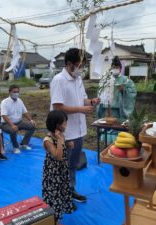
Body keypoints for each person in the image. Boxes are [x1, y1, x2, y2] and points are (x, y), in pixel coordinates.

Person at [50, 48, 101, 203]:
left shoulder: (78, 80)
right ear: (69, 64)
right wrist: (81, 109)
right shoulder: (59, 80)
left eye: (82, 65)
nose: (81, 69)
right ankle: (58, 193)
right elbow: (57, 107)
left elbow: (83, 100)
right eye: (79, 65)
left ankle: (70, 190)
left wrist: (91, 102)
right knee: (62, 165)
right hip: (65, 132)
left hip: (79, 130)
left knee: (72, 164)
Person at [42, 110, 75, 222]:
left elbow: (62, 149)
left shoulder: (60, 136)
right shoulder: (48, 140)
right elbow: (58, 156)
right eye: (64, 123)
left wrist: (66, 143)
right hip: (53, 174)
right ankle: (54, 220)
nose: (66, 125)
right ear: (57, 125)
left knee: (61, 194)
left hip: (61, 171)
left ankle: (58, 219)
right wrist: (61, 140)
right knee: (53, 197)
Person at [97, 56, 137, 122]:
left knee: (117, 128)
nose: (115, 69)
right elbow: (99, 92)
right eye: (113, 67)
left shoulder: (126, 80)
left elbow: (132, 93)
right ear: (111, 68)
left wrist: (123, 90)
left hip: (119, 110)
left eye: (117, 67)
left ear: (120, 69)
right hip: (106, 109)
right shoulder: (105, 79)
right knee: (106, 127)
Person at [0, 84, 36, 154]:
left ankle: (24, 144)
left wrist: (31, 120)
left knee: (32, 126)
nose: (16, 93)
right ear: (9, 92)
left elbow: (25, 112)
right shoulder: (4, 102)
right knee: (13, 129)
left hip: (19, 122)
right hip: (6, 123)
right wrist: (12, 125)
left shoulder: (20, 101)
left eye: (17, 92)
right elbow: (4, 115)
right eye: (14, 92)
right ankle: (15, 147)